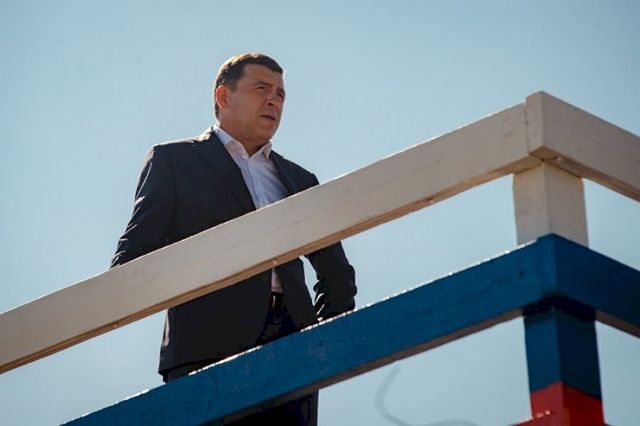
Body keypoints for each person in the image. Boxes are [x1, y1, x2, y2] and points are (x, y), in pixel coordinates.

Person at [111, 53, 357, 425]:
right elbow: (137, 248)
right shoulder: (174, 161)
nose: (274, 101)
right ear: (223, 96)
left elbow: (336, 273)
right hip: (206, 347)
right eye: (262, 89)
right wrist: (106, 300)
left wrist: (318, 339)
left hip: (293, 350)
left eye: (280, 94)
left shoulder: (300, 179)